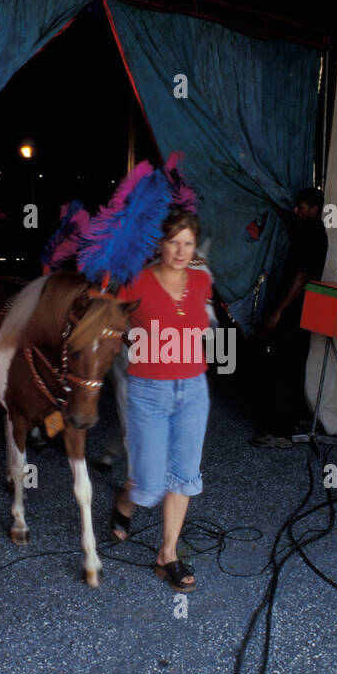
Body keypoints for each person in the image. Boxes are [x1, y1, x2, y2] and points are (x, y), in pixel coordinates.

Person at [110, 211, 210, 592]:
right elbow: (109, 327)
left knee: (184, 475)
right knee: (150, 484)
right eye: (174, 242)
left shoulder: (201, 282)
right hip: (148, 391)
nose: (181, 250)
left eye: (188, 243)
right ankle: (125, 500)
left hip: (193, 390)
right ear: (160, 245)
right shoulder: (135, 283)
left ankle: (167, 555)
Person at [250, 187, 328, 449]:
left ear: (314, 210)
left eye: (301, 207)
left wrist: (278, 310)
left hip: (293, 312)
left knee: (282, 368)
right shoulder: (312, 232)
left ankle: (279, 432)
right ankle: (289, 423)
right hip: (303, 312)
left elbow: (300, 278)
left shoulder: (311, 235)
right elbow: (290, 219)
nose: (296, 211)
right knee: (293, 367)